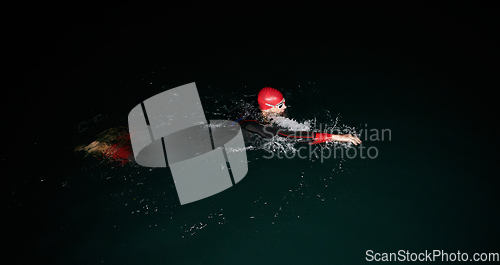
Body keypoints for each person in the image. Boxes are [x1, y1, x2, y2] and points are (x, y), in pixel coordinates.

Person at [235, 87, 362, 145]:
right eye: (280, 105)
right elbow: (287, 135)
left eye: (283, 102)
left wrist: (313, 138)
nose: (285, 107)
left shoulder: (266, 109)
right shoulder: (253, 123)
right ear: (269, 107)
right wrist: (335, 137)